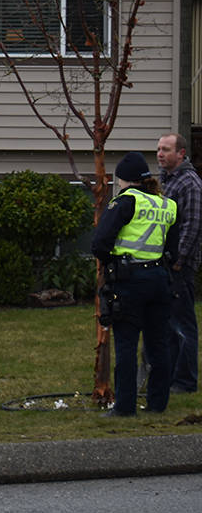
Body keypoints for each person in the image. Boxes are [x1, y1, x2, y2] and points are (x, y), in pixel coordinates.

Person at [91, 152, 179, 416]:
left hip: (130, 280)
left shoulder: (126, 201)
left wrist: (112, 264)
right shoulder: (168, 205)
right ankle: (157, 403)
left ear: (121, 180)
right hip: (159, 280)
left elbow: (99, 243)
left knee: (127, 344)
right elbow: (171, 248)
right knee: (158, 344)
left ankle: (125, 407)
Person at [157, 132, 202, 393]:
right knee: (167, 324)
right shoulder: (166, 181)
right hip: (165, 263)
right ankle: (171, 375)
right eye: (159, 149)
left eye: (166, 149)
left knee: (183, 324)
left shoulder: (189, 184)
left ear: (181, 154)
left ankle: (185, 380)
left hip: (180, 266)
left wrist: (178, 260)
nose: (160, 154)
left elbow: (193, 224)